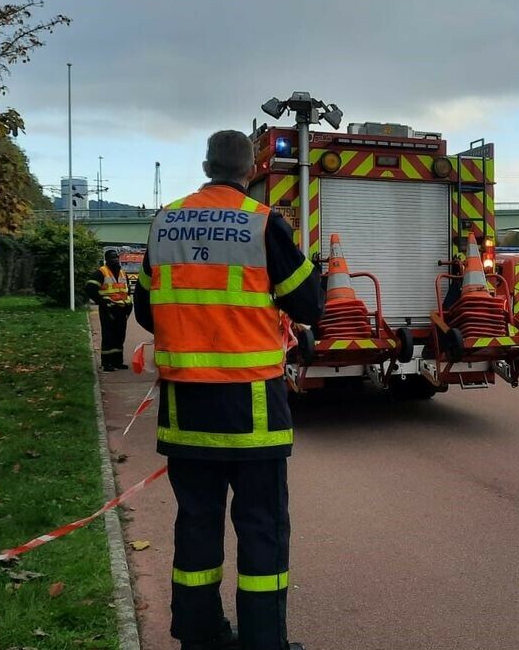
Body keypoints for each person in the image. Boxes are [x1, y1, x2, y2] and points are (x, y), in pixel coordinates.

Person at [134, 130, 323, 650]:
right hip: (252, 413)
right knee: (261, 531)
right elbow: (309, 304)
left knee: (196, 525)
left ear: (204, 165)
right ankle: (264, 643)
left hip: (185, 412)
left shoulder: (164, 221)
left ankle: (198, 636)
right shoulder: (262, 224)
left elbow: (146, 312)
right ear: (252, 169)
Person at [86, 248, 133, 371]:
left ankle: (118, 361)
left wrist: (129, 307)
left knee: (120, 336)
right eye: (112, 258)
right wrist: (103, 302)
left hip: (122, 310)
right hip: (108, 310)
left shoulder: (123, 273)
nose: (115, 260)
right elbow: (90, 289)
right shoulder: (101, 273)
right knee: (108, 336)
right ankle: (107, 363)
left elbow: (127, 291)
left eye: (117, 257)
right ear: (106, 260)